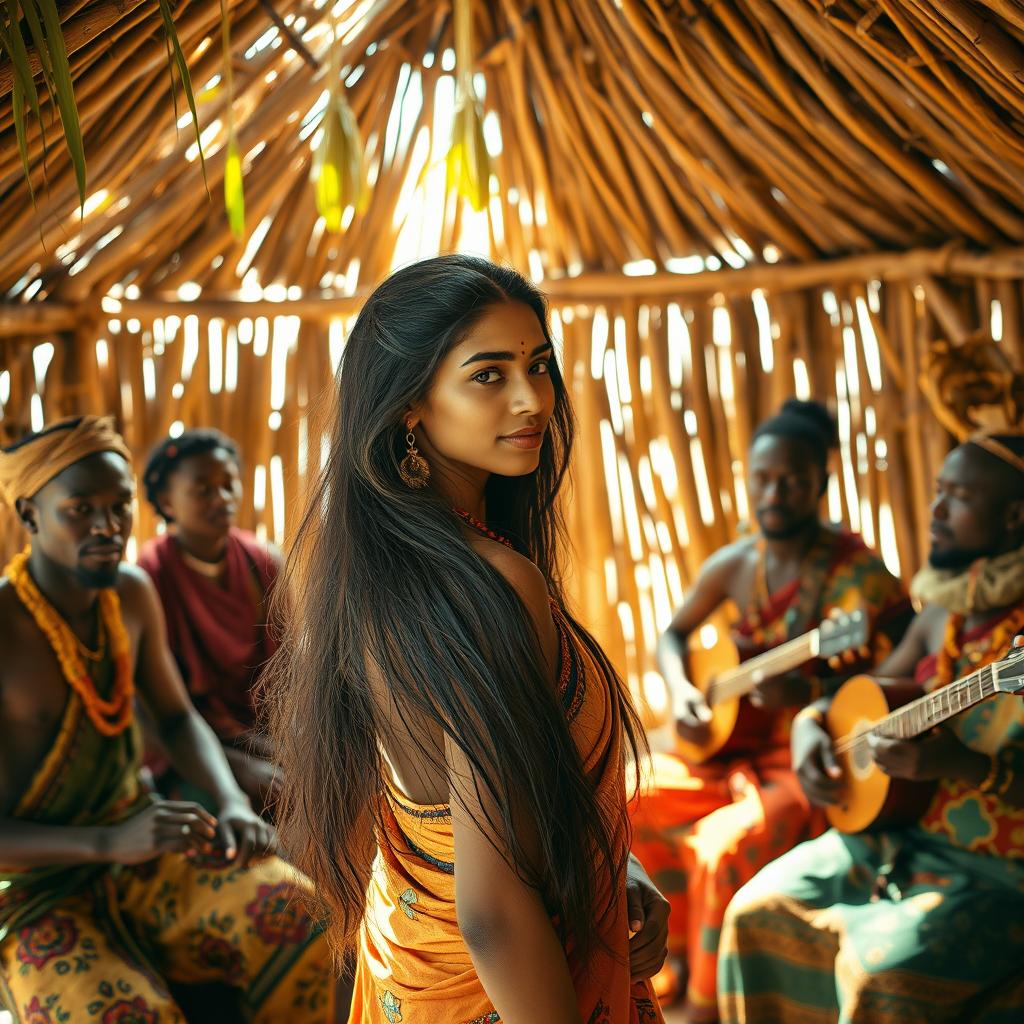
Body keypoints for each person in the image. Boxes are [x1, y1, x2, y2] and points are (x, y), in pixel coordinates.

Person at [262, 254, 669, 1024]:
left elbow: (473, 802)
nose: (531, 399)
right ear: (410, 404)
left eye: (539, 365)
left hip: (411, 975)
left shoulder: (374, 574)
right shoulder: (487, 585)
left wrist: (613, 866)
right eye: (488, 374)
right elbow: (492, 907)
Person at [0, 417, 335, 1024]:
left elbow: (178, 721)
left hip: (144, 845)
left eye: (119, 507)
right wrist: (107, 844)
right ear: (29, 514)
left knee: (301, 915)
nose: (107, 527)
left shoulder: (128, 595)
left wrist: (230, 801)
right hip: (35, 891)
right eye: (81, 510)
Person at [718, 432, 1024, 1024]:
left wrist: (960, 766)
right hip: (893, 834)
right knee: (753, 908)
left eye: (958, 496)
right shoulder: (942, 612)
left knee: (881, 975)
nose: (935, 511)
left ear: (1014, 517)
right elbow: (855, 699)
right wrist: (810, 723)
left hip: (1001, 875)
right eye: (938, 491)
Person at [629, 400, 913, 1022]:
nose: (774, 492)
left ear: (821, 484)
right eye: (762, 478)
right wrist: (681, 693)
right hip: (732, 749)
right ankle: (665, 959)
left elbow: (906, 679)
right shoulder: (739, 563)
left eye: (792, 479)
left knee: (725, 845)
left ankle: (708, 1005)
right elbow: (673, 637)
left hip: (815, 759)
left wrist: (813, 696)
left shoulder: (857, 577)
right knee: (630, 794)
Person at [138, 429, 281, 816]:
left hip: (260, 731)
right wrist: (236, 763)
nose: (222, 498)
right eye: (203, 489)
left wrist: (284, 742)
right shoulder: (149, 577)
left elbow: (290, 666)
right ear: (167, 501)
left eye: (228, 484)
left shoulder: (262, 562)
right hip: (187, 744)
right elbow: (149, 706)